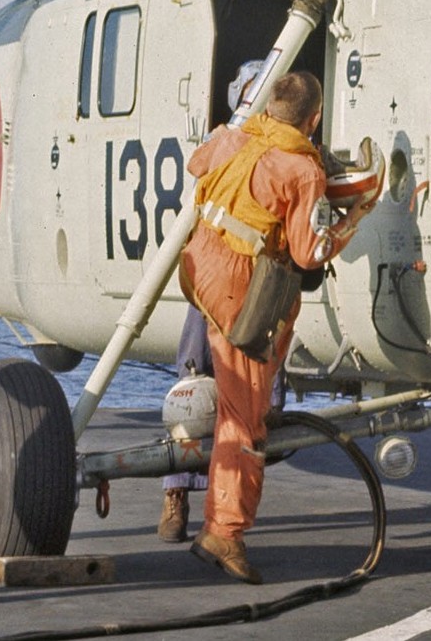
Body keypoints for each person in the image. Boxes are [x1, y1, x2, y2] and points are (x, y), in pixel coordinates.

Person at [178, 71, 376, 583]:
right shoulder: (303, 173)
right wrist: (354, 216)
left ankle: (207, 514)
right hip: (241, 297)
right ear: (314, 121)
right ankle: (224, 532)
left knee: (231, 407)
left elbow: (197, 162)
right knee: (244, 422)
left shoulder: (231, 136)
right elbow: (310, 254)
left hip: (202, 272)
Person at [160, 58, 268, 543]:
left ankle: (223, 515)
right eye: (250, 91)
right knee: (192, 385)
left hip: (257, 288)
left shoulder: (279, 152)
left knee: (253, 407)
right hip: (212, 283)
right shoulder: (225, 144)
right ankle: (177, 495)